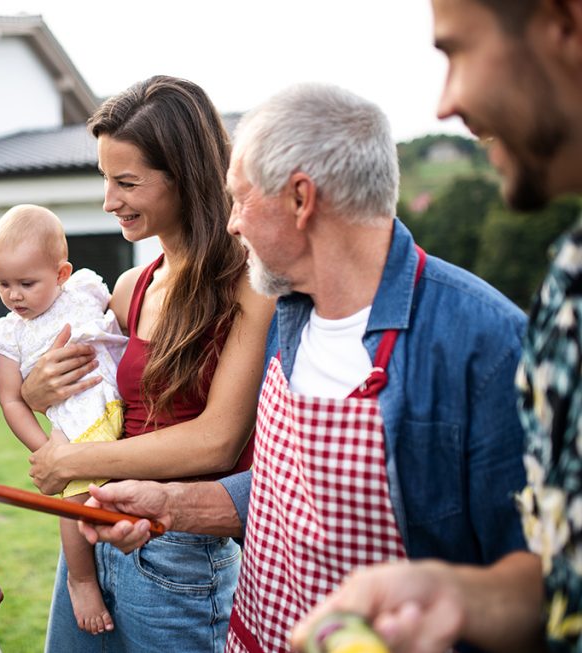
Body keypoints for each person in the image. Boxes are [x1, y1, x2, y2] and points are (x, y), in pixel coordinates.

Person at [78, 83, 529, 653]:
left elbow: (546, 583)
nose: (232, 224)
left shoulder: (484, 344)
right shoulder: (289, 318)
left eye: (240, 200)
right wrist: (171, 504)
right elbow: (284, 492)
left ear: (300, 199)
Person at [292, 0, 582, 651]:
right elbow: (565, 579)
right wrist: (458, 594)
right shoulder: (569, 280)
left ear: (564, 25)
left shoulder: (485, 333)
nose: (447, 102)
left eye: (456, 50)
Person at [22, 75, 276, 652]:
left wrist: (74, 460)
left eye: (127, 182)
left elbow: (216, 440)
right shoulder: (130, 287)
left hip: (178, 550)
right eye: (106, 179)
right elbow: (95, 401)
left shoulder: (249, 285)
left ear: (184, 177)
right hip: (97, 536)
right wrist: (38, 392)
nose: (109, 200)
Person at [0, 203, 128, 635]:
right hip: (76, 423)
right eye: (3, 283)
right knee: (75, 502)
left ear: (62, 273)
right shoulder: (8, 334)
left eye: (27, 283)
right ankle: (81, 579)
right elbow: (11, 401)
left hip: (122, 404)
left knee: (123, 498)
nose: (14, 295)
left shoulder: (84, 290)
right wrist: (48, 451)